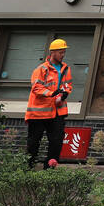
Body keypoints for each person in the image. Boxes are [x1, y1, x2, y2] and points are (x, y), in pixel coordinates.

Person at [26, 39, 73, 169]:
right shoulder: (41, 69)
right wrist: (52, 93)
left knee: (56, 143)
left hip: (57, 112)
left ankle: (49, 171)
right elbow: (36, 88)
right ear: (52, 52)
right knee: (33, 143)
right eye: (60, 52)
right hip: (39, 113)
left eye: (64, 52)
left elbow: (68, 84)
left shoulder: (66, 68)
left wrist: (64, 93)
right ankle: (28, 169)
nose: (63, 55)